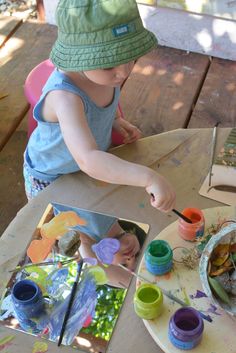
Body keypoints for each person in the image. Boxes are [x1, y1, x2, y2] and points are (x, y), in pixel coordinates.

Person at [23, 0, 176, 213]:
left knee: (104, 220)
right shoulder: (65, 97)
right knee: (68, 233)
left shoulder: (106, 77)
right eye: (108, 64)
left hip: (88, 167)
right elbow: (88, 159)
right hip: (52, 176)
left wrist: (115, 120)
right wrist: (148, 177)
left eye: (130, 58)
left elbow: (101, 105)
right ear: (79, 59)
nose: (124, 73)